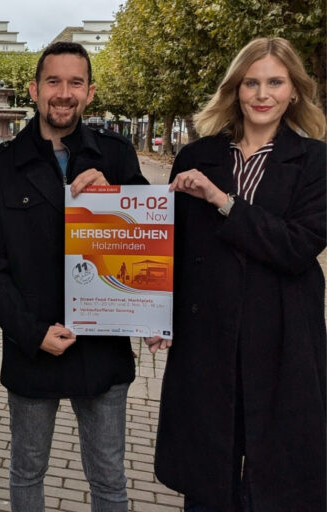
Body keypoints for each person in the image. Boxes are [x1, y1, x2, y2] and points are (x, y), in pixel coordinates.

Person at [0, 41, 148, 511]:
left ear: (90, 92)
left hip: (104, 350)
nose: (63, 93)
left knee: (109, 479)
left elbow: (150, 239)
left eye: (75, 83)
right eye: (53, 81)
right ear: (34, 89)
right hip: (33, 348)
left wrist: (115, 198)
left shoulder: (117, 156)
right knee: (27, 472)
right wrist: (30, 333)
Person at [147, 37, 326, 511]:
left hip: (283, 341)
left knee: (277, 480)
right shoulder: (196, 157)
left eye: (275, 82)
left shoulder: (316, 162)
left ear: (294, 90)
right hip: (207, 339)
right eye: (251, 83)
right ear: (235, 89)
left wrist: (223, 201)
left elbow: (297, 246)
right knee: (207, 479)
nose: (262, 94)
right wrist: (155, 313)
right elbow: (172, 247)